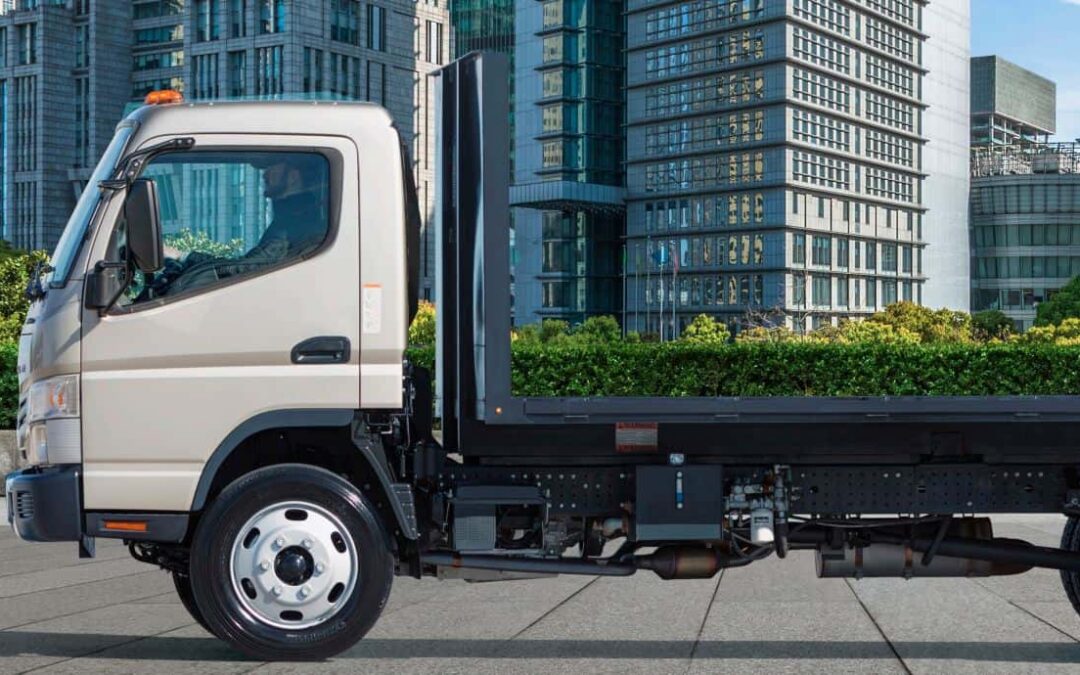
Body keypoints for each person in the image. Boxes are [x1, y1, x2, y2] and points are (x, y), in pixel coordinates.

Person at [152, 154, 326, 297]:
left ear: (294, 177)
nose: (265, 174)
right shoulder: (291, 217)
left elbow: (248, 269)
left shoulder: (295, 223)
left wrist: (184, 258)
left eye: (273, 167)